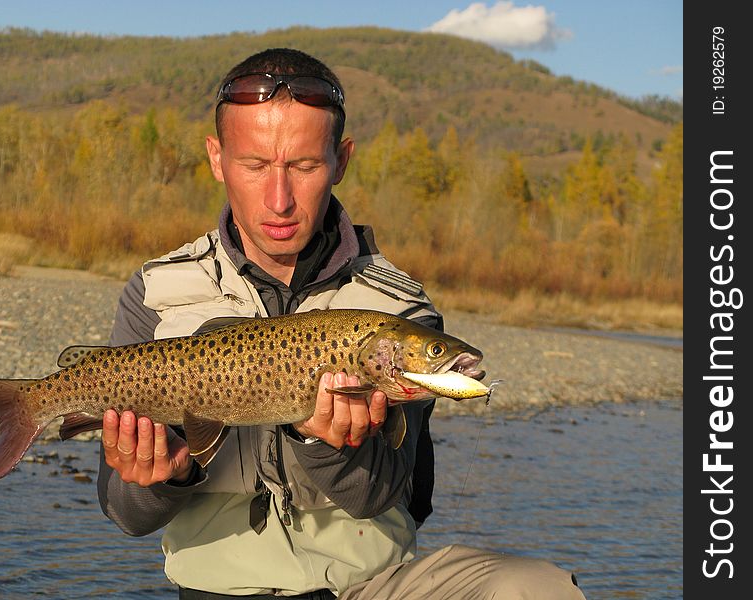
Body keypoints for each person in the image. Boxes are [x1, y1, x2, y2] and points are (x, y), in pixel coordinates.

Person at [97, 48, 585, 600]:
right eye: (255, 165)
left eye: (304, 166)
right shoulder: (156, 294)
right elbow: (126, 514)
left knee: (540, 589)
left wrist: (324, 443)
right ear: (217, 158)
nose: (279, 200)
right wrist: (168, 476)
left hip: (374, 586)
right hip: (220, 590)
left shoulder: (401, 310)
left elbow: (382, 497)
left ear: (341, 160)